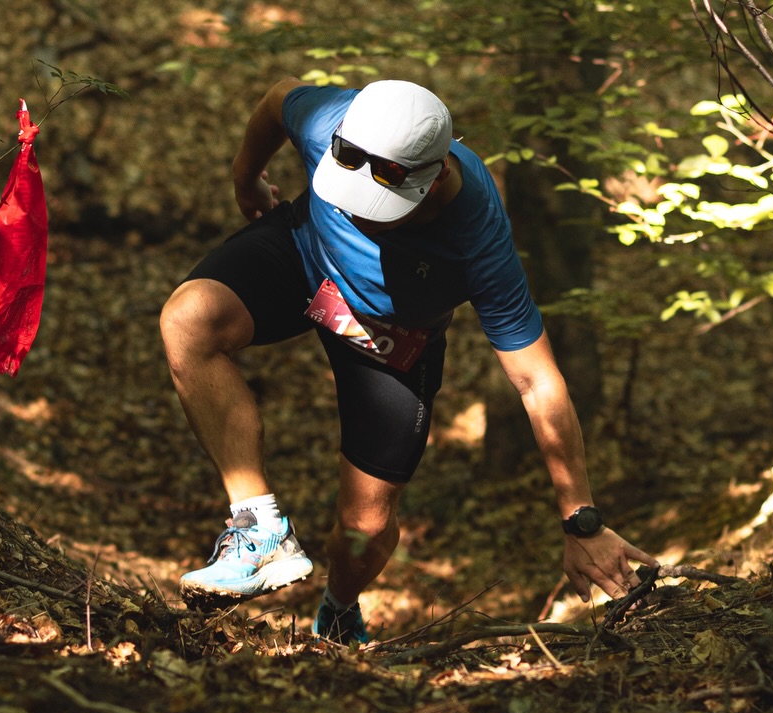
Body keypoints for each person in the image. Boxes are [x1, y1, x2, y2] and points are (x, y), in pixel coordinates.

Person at [159, 77, 656, 643]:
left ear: (434, 178)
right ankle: (259, 530)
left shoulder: (478, 238)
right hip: (303, 257)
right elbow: (278, 97)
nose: (358, 217)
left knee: (365, 529)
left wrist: (581, 520)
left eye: (377, 209)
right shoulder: (331, 123)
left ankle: (339, 607)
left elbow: (537, 383)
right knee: (189, 320)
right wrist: (245, 177)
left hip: (390, 338)